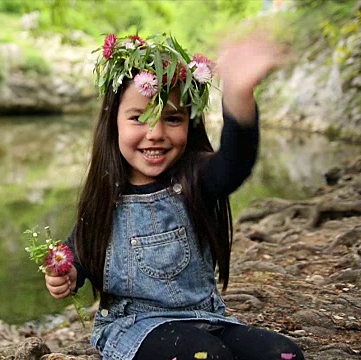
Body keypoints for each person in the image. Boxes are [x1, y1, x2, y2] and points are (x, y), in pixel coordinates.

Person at [45, 33, 305, 360]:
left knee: (284, 354)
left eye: (172, 118)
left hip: (205, 318)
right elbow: (80, 249)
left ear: (190, 123)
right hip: (133, 327)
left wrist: (239, 95)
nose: (155, 133)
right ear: (113, 123)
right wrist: (67, 273)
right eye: (138, 117)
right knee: (206, 356)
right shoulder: (106, 197)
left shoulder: (196, 178)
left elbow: (235, 163)